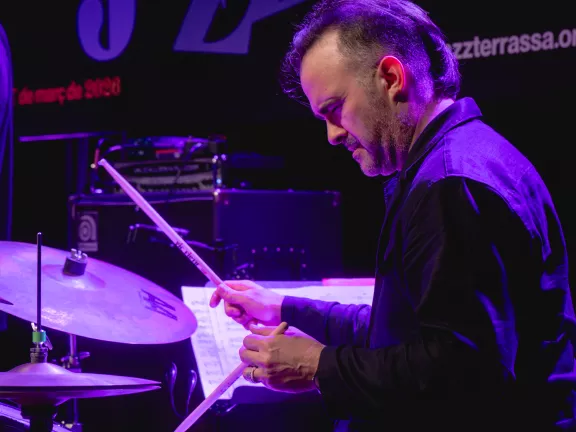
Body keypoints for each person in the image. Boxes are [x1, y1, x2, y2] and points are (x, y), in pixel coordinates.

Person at [210, 0, 576, 430]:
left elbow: (465, 375)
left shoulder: (450, 183)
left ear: (391, 78)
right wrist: (284, 307)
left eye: (334, 109)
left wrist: (317, 366)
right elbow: (402, 330)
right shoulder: (462, 156)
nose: (331, 136)